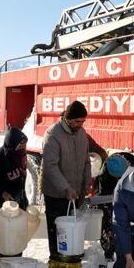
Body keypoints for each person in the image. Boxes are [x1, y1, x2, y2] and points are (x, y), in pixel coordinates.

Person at [41, 100, 91, 257]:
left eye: (83, 121)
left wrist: (86, 184)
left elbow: (86, 161)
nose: (80, 124)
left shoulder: (82, 133)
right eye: (77, 121)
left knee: (72, 234)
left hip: (75, 193)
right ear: (67, 119)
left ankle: (71, 263)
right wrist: (65, 188)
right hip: (56, 195)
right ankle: (56, 263)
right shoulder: (53, 134)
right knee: (58, 234)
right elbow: (50, 166)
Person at [0, 127, 28, 268]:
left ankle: (14, 267)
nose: (22, 148)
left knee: (16, 236)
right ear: (11, 145)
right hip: (0, 205)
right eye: (19, 145)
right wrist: (3, 194)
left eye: (24, 145)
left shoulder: (20, 156)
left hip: (17, 202)